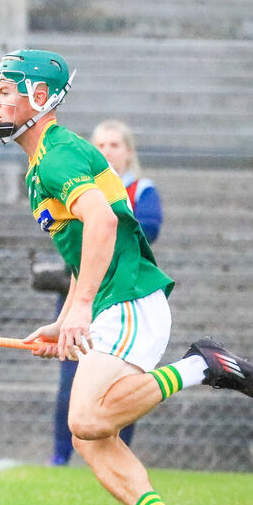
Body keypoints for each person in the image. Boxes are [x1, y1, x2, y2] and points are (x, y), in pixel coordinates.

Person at [0, 49, 253, 505]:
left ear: (40, 97)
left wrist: (80, 308)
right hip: (110, 302)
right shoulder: (42, 162)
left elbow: (105, 221)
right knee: (88, 435)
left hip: (130, 299)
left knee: (87, 419)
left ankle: (202, 367)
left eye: (7, 92)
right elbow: (82, 250)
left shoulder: (58, 155)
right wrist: (66, 319)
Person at [50, 119, 163, 465]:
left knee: (118, 387)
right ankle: (60, 459)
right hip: (86, 292)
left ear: (128, 152)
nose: (107, 151)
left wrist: (103, 221)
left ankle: (115, 454)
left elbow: (148, 228)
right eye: (100, 145)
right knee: (71, 383)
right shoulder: (77, 187)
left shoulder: (140, 189)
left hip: (120, 293)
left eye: (114, 145)